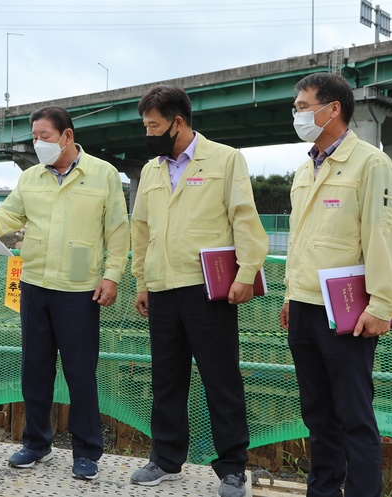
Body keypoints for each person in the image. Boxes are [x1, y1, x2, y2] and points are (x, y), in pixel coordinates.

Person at [129, 85, 269, 497]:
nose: (148, 133)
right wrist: (141, 280)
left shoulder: (225, 160)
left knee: (220, 378)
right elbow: (142, 231)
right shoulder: (152, 170)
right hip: (162, 288)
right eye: (145, 126)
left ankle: (232, 468)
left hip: (210, 290)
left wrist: (246, 273)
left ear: (178, 122)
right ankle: (166, 459)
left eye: (153, 125)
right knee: (166, 380)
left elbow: (244, 218)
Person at [0, 106, 130, 480]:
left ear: (67, 135)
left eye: (44, 136)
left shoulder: (102, 174)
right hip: (33, 284)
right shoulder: (31, 178)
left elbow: (117, 229)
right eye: (34, 136)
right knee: (35, 368)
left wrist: (111, 275)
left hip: (79, 289)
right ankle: (36, 443)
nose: (38, 142)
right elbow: (8, 216)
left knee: (80, 372)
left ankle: (86, 451)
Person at [279, 72, 392, 497]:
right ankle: (324, 490)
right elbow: (300, 240)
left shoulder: (370, 162)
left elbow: (381, 235)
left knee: (354, 414)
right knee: (316, 413)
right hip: (305, 305)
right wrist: (289, 295)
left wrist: (381, 305)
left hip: (347, 310)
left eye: (303, 106)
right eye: (296, 108)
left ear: (333, 109)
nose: (297, 114)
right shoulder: (303, 170)